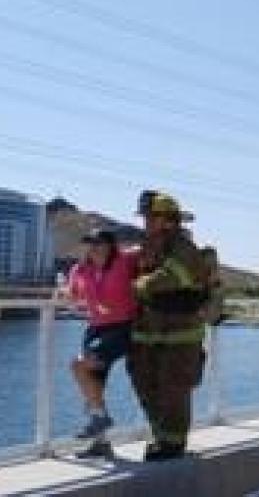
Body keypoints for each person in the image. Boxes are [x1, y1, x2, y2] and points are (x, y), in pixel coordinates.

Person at [128, 191, 210, 461]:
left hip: (180, 337)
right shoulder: (150, 246)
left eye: (151, 218)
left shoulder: (184, 248)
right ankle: (161, 437)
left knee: (173, 389)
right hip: (148, 335)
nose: (146, 223)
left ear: (168, 220)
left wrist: (139, 285)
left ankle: (173, 446)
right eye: (146, 218)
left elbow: (169, 278)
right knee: (145, 385)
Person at [61, 228, 138, 455]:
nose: (93, 247)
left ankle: (101, 419)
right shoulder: (80, 269)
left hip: (122, 328)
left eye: (98, 242)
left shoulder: (124, 261)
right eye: (89, 242)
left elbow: (151, 250)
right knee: (95, 385)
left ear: (111, 245)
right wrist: (64, 294)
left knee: (79, 364)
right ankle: (102, 443)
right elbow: (74, 296)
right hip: (95, 329)